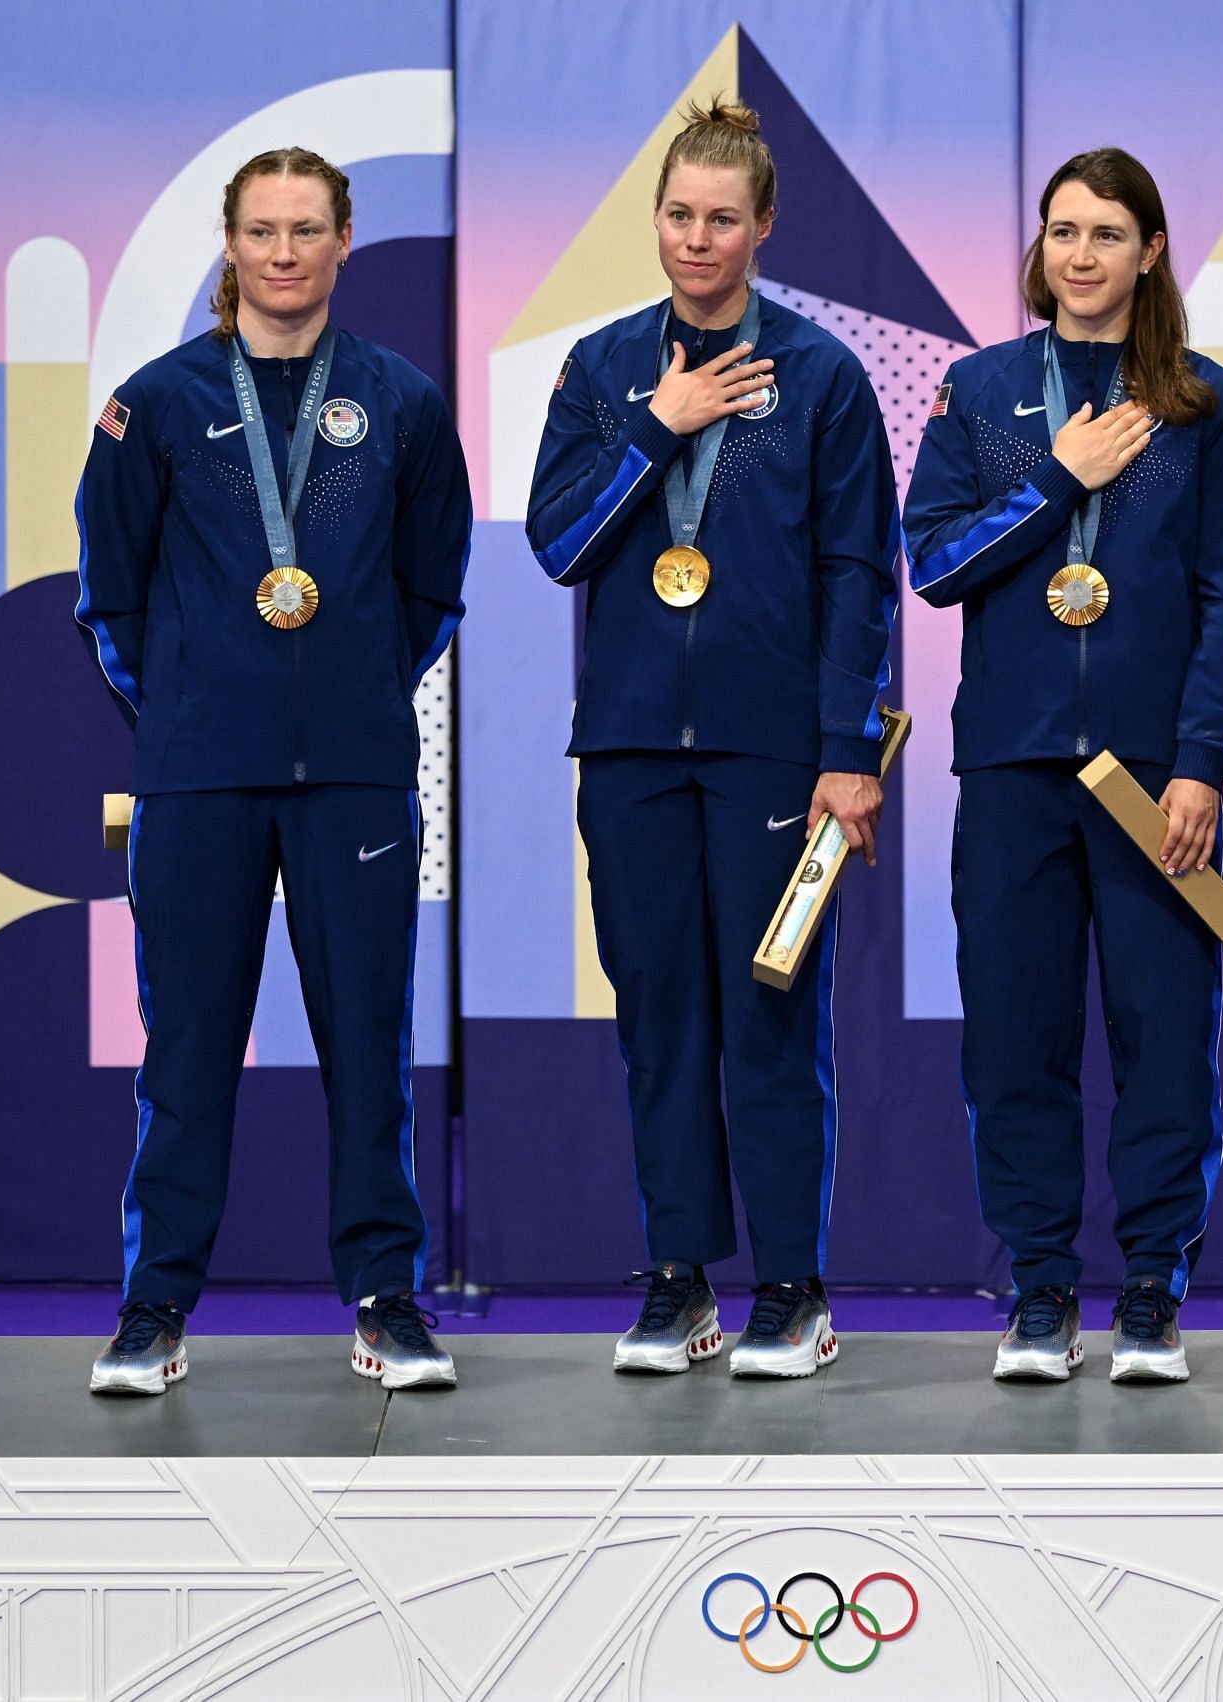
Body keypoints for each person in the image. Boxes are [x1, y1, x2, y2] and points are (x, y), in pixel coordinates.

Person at [75, 147, 470, 1394]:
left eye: (308, 229)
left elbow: (430, 589)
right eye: (263, 230)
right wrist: (193, 706)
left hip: (355, 773)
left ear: (345, 240)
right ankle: (155, 1308)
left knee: (370, 1042)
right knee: (186, 1046)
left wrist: (346, 691)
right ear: (229, 244)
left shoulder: (400, 401)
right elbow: (108, 596)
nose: (285, 252)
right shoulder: (157, 403)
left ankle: (386, 1296)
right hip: (199, 777)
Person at [527, 100, 897, 1378]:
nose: (698, 238)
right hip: (628, 749)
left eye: (722, 218)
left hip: (771, 756)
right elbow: (560, 543)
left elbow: (860, 573)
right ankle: (681, 1279)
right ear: (658, 220)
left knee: (773, 1017)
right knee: (661, 1018)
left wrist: (847, 746)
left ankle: (791, 1286)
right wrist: (658, 423)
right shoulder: (600, 371)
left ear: (764, 227)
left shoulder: (824, 377)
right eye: (679, 215)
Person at [904, 148, 1223, 1383]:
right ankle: (1041, 1289)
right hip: (1011, 771)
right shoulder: (978, 390)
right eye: (1063, 231)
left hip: (1152, 779)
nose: (1080, 255)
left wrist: (1202, 760)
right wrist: (1057, 480)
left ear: (1151, 252)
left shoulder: (1204, 404)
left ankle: (1156, 1291)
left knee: (1165, 1036)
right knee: (1017, 1039)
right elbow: (939, 563)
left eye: (1108, 233)